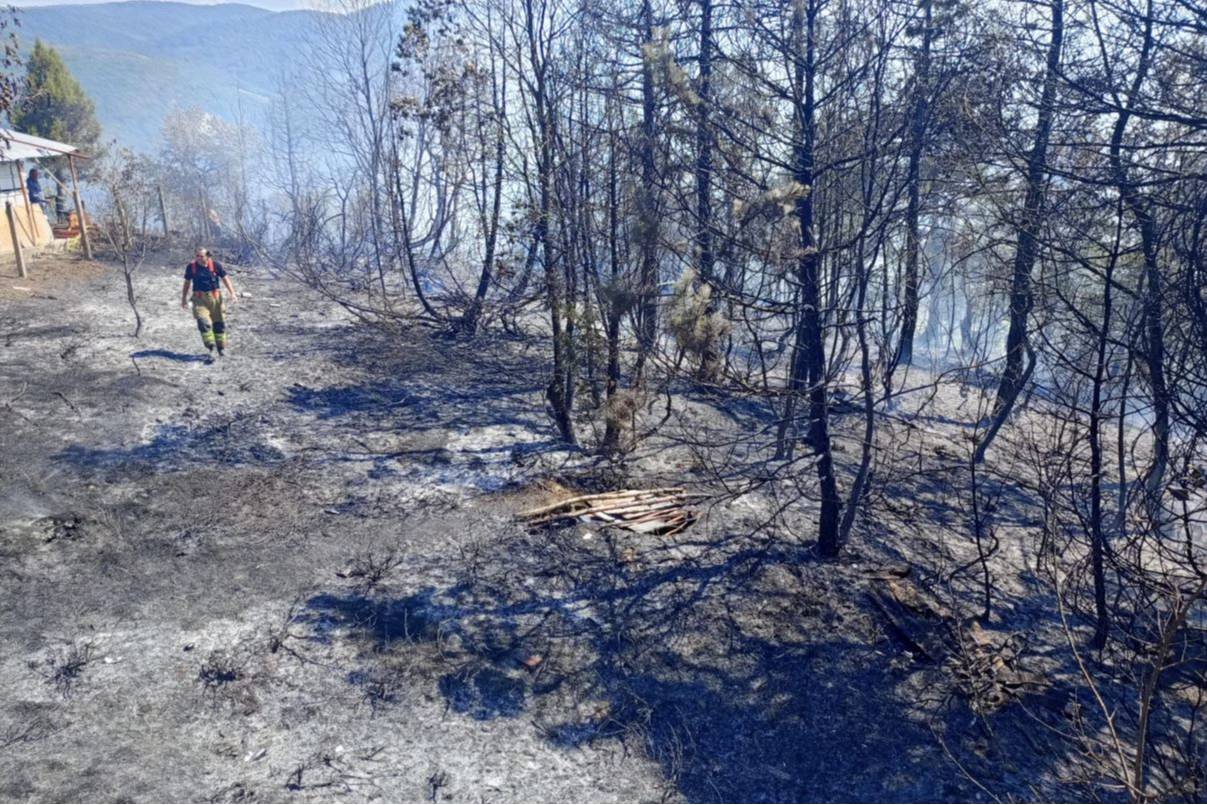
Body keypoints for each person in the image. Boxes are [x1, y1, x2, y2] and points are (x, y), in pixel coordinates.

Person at [180, 248, 237, 362]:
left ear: (208, 256)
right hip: (199, 299)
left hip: (215, 298)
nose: (199, 258)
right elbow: (187, 283)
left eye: (202, 256)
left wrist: (233, 293)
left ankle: (221, 348)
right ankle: (211, 347)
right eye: (197, 256)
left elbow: (225, 278)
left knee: (219, 323)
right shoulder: (191, 267)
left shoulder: (216, 266)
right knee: (203, 322)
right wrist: (183, 299)